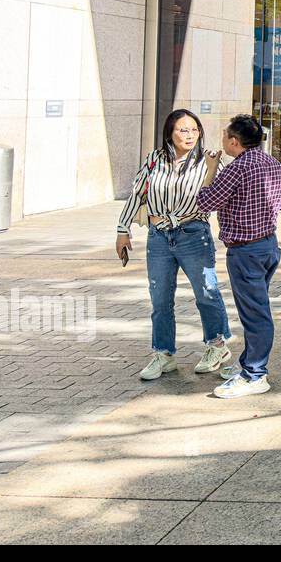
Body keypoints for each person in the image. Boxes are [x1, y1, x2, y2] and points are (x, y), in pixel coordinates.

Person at [116, 109, 235, 382]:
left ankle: (217, 347)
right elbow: (137, 194)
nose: (190, 135)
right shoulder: (155, 160)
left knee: (206, 292)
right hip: (158, 236)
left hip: (194, 234)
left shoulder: (210, 162)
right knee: (160, 299)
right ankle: (164, 354)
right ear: (169, 132)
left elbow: (225, 193)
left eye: (194, 129)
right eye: (183, 130)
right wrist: (123, 229)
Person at [197, 115, 281, 398]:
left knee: (255, 315)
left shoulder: (236, 169)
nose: (222, 141)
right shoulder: (272, 162)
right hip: (269, 246)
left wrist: (210, 170)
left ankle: (255, 374)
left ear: (234, 142)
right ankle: (250, 364)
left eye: (225, 136)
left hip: (245, 251)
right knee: (257, 309)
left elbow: (205, 202)